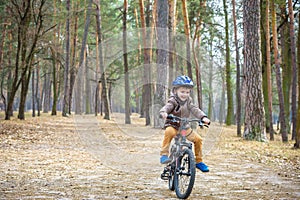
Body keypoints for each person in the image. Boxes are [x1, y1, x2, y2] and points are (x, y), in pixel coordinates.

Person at [159, 75, 210, 172]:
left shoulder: (189, 101)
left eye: (187, 92)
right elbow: (167, 107)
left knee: (198, 139)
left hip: (184, 129)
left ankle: (199, 161)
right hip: (173, 126)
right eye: (182, 92)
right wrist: (164, 112)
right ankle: (164, 154)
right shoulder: (173, 100)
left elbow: (195, 110)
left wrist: (203, 117)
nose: (184, 94)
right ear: (175, 91)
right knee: (169, 132)